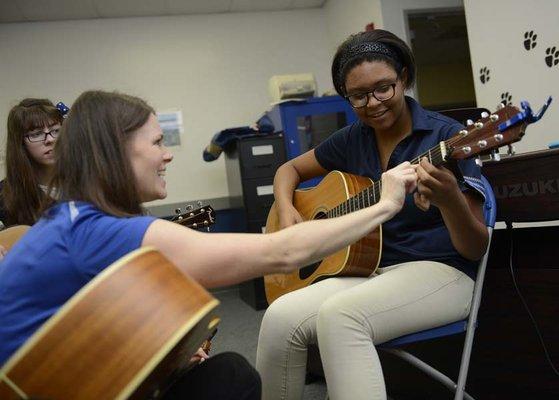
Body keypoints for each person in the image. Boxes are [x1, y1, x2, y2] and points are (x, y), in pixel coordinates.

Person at [0, 90, 418, 399]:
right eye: (157, 142)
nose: (167, 156)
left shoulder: (67, 219)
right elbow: (284, 252)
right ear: (118, 152)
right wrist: (385, 204)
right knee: (231, 377)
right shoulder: (98, 230)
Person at [255, 29, 489, 400]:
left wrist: (450, 201)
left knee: (340, 318)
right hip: (370, 271)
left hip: (442, 273)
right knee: (280, 317)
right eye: (359, 96)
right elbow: (289, 171)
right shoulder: (353, 138)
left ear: (404, 79)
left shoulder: (448, 139)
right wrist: (286, 212)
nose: (373, 103)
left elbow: (475, 248)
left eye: (384, 88)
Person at [0, 99, 65, 259]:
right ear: (20, 143)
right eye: (36, 134)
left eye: (55, 130)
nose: (49, 139)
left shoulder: (85, 182)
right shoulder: (4, 194)